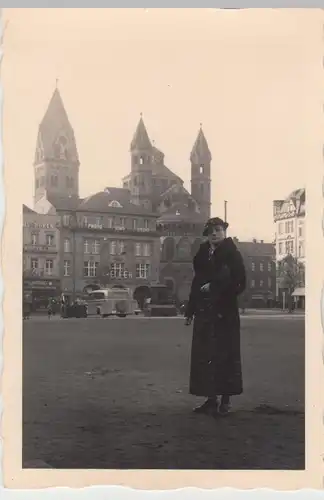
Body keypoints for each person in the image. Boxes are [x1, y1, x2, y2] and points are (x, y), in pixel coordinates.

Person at [185, 217, 246, 416]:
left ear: (224, 232)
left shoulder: (232, 254)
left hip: (224, 313)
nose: (215, 233)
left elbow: (239, 282)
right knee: (206, 356)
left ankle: (225, 402)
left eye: (218, 230)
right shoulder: (203, 254)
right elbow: (196, 283)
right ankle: (211, 400)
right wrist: (190, 309)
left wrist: (215, 286)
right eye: (211, 230)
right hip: (205, 313)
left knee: (225, 355)